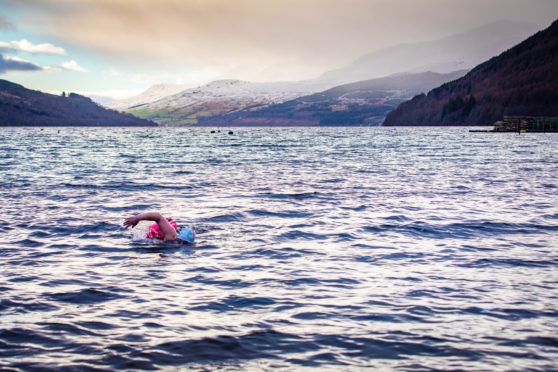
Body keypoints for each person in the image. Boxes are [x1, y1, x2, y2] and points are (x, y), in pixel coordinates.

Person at [123, 212, 195, 244]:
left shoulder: (175, 242)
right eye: (181, 242)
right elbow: (158, 216)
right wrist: (137, 218)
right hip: (160, 230)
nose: (179, 243)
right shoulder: (172, 236)